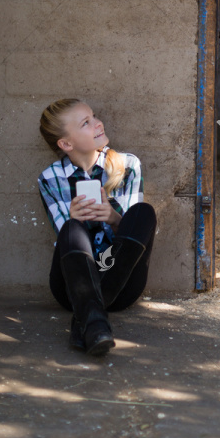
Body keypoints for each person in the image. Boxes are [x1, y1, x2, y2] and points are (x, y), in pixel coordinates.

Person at [38, 99, 157, 357]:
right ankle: (93, 317)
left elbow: (133, 232)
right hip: (72, 288)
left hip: (122, 283)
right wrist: (76, 220)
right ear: (66, 144)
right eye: (86, 123)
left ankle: (90, 319)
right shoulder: (50, 179)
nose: (97, 123)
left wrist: (114, 218)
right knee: (70, 228)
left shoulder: (127, 165)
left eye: (94, 116)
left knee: (143, 212)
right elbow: (65, 237)